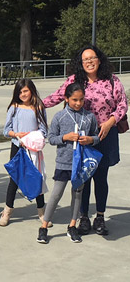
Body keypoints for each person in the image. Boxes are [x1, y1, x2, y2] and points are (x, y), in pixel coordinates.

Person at [43, 45, 128, 235]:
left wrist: (109, 122)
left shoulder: (112, 80)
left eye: (92, 58)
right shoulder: (75, 80)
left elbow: (122, 104)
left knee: (101, 177)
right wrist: (34, 106)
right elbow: (57, 97)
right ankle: (83, 217)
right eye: (85, 59)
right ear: (80, 63)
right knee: (83, 177)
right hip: (81, 136)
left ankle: (99, 217)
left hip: (105, 135)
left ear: (99, 59)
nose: (89, 62)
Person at [38, 83, 100, 244]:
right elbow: (51, 138)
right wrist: (65, 137)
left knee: (77, 194)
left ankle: (72, 225)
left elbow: (97, 136)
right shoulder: (60, 116)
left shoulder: (89, 117)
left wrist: (90, 140)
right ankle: (44, 227)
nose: (78, 103)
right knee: (56, 194)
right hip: (64, 163)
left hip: (81, 164)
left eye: (81, 100)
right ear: (66, 99)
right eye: (74, 100)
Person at [0, 78, 49, 227]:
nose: (23, 94)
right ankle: (7, 211)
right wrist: (17, 135)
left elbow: (44, 130)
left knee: (37, 178)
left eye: (25, 90)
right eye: (20, 92)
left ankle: (42, 212)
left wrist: (31, 137)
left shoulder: (39, 107)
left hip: (33, 149)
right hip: (18, 148)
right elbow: (6, 130)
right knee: (14, 180)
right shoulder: (14, 107)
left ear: (32, 90)